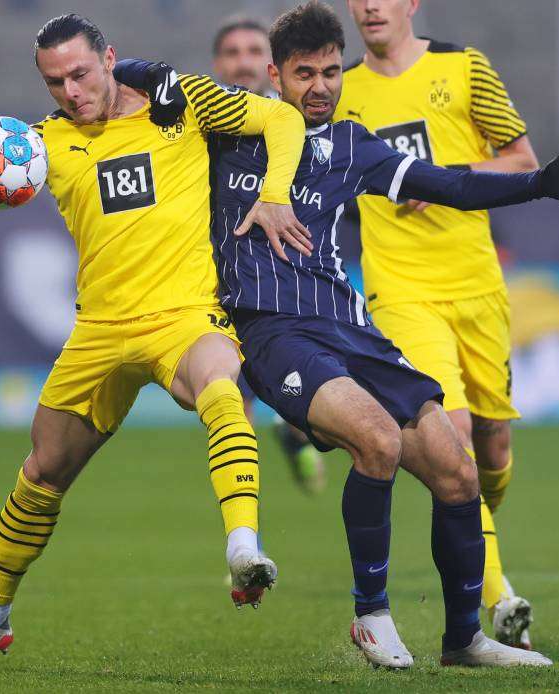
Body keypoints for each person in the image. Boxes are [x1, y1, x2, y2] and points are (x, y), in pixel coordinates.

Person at [115, 0, 559, 669]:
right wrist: (112, 65)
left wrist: (539, 183)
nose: (320, 86)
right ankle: (371, 615)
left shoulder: (354, 145)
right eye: (304, 74)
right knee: (377, 441)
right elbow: (157, 80)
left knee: (459, 473)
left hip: (349, 328)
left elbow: (450, 185)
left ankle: (464, 639)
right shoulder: (229, 133)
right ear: (274, 74)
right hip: (270, 332)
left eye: (330, 71)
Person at [0, 13, 310, 670]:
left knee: (221, 383)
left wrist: (274, 196)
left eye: (79, 74)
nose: (71, 92)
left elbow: (282, 120)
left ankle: (244, 546)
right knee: (42, 473)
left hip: (182, 315)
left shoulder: (181, 101)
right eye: (55, 82)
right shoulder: (41, 145)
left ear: (109, 59)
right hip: (99, 332)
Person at [336, 0, 559, 648]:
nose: (368, 7)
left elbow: (519, 157)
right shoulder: (341, 91)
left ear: (410, 3)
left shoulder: (465, 68)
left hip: (476, 284)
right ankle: (500, 601)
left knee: (493, 449)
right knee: (456, 430)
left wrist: (443, 179)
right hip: (400, 290)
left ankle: (471, 538)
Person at [211, 14, 327, 494]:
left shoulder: (300, 124)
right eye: (233, 52)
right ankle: (245, 544)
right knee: (230, 415)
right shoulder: (199, 125)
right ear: (217, 63)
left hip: (285, 285)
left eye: (254, 51)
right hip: (216, 287)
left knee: (302, 411)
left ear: (273, 65)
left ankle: (295, 437)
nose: (243, 62)